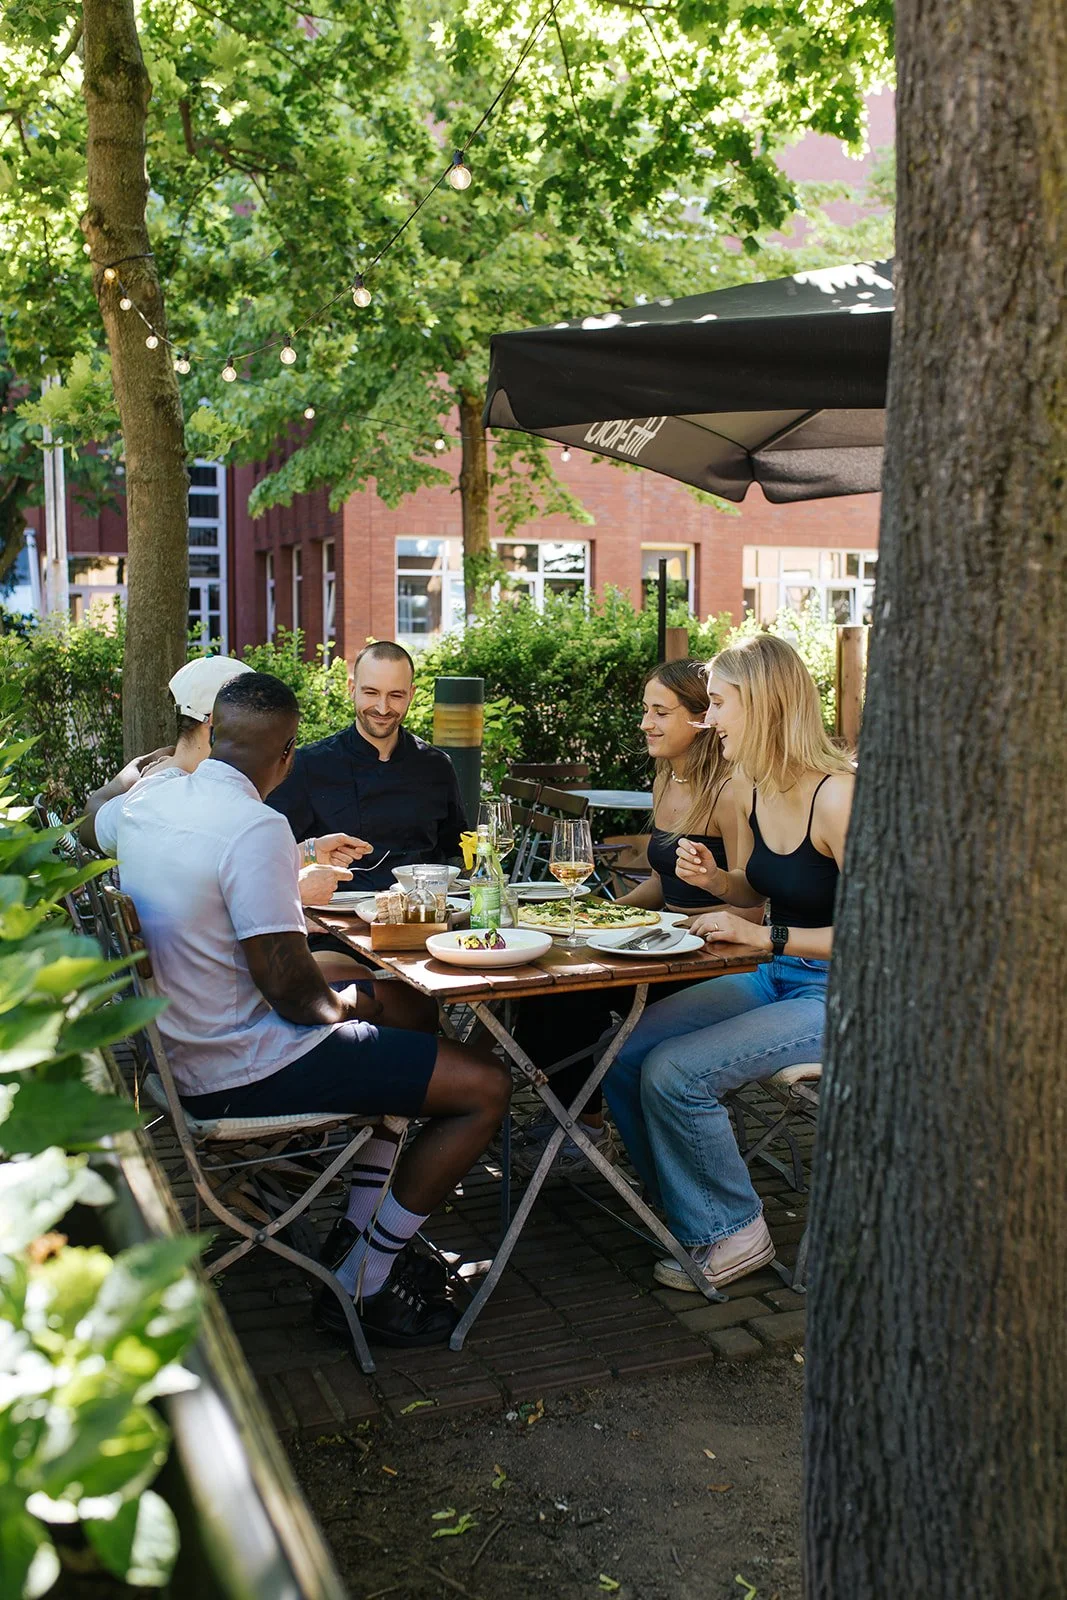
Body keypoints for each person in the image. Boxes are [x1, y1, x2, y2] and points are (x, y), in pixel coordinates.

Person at [85, 672, 510, 1348]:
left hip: (176, 1048)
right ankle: (366, 1278)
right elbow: (291, 991)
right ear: (286, 755)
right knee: (485, 1084)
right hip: (240, 1066)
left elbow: (91, 818)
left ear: (214, 737)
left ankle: (359, 1220)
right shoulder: (255, 826)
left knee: (404, 1011)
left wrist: (139, 770)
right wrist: (351, 1004)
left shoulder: (152, 799)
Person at [603, 634, 854, 1290]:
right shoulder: (752, 786)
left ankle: (732, 1232)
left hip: (841, 996)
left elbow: (883, 935)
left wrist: (766, 940)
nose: (706, 721)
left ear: (764, 706)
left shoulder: (837, 798)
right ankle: (691, 1209)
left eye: (716, 704)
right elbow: (760, 887)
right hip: (776, 976)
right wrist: (720, 883)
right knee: (625, 1051)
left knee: (675, 1073)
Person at [513, 658, 764, 1174]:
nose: (645, 723)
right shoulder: (666, 778)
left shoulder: (731, 791)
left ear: (699, 719)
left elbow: (747, 904)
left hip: (709, 958)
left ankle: (584, 1128)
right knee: (540, 988)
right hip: (658, 947)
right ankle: (576, 1117)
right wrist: (597, 915)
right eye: (645, 710)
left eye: (660, 712)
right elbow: (661, 881)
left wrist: (670, 924)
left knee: (568, 997)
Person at [81, 655, 369, 908]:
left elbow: (211, 876)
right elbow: (208, 902)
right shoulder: (209, 801)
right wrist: (292, 890)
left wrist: (305, 853)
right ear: (216, 724)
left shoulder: (148, 791)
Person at [267, 640, 466, 891]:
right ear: (352, 689)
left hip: (423, 915)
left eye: (396, 695)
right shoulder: (308, 765)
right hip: (337, 919)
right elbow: (270, 855)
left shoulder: (436, 766)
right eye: (371, 693)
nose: (383, 708)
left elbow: (456, 853)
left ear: (411, 695)